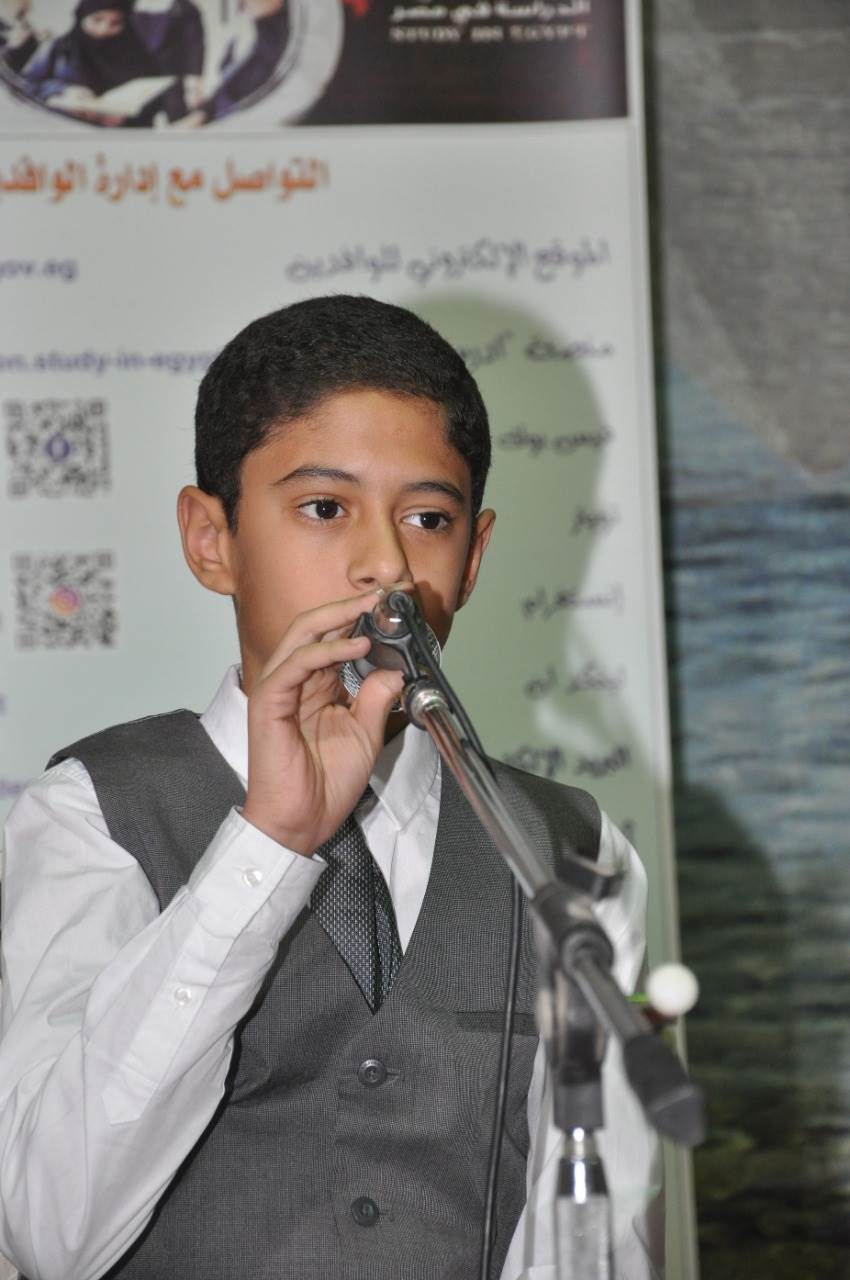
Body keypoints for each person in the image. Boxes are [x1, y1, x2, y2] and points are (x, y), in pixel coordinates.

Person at [0, 295, 659, 1279]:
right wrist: (265, 845)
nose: (385, 564)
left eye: (427, 519)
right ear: (211, 538)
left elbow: (594, 1241)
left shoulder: (570, 850)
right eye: (324, 508)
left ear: (473, 558)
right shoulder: (92, 815)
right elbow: (45, 1229)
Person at [22, 0, 159, 105]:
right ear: (82, 17)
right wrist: (62, 90)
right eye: (97, 19)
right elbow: (26, 84)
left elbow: (152, 97)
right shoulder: (59, 47)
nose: (104, 29)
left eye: (116, 23)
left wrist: (127, 118)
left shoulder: (136, 53)